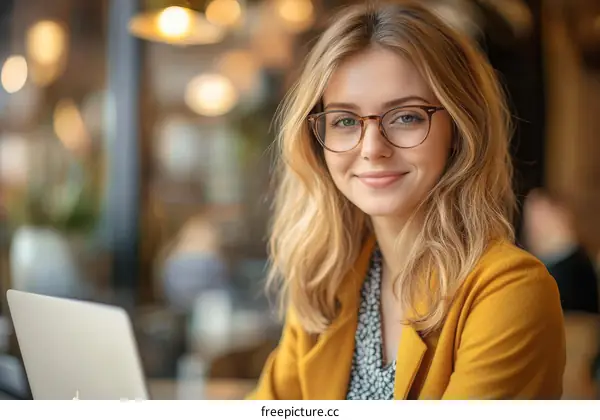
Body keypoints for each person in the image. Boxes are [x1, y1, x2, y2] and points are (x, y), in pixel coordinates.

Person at [248, 0, 565, 400]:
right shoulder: (329, 283)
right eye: (345, 120)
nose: (372, 148)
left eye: (406, 116)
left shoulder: (509, 293)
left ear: (461, 129)